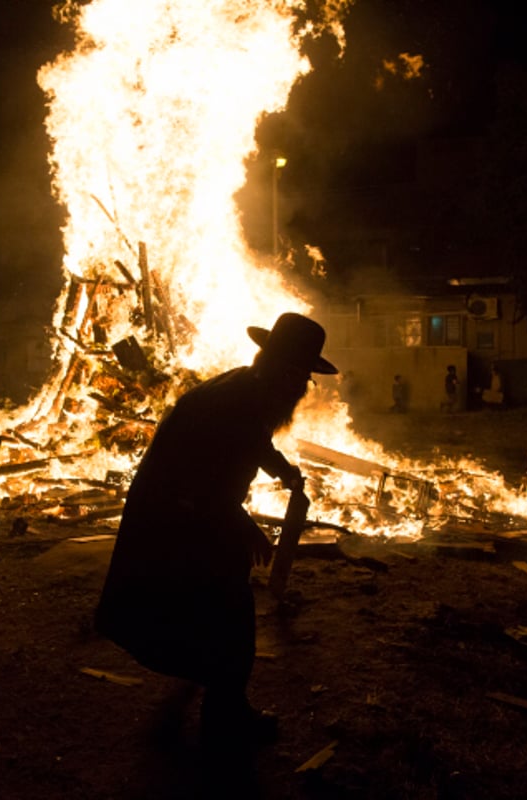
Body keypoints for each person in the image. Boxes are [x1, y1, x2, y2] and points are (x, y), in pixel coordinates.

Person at [94, 312, 337, 749]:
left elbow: (252, 442)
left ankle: (214, 688)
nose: (302, 385)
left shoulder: (251, 392)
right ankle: (226, 716)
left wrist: (285, 472)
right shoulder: (236, 401)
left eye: (305, 376)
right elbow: (203, 484)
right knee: (229, 607)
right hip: (175, 514)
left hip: (190, 509)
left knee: (212, 602)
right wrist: (246, 529)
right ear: (279, 367)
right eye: (299, 374)